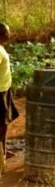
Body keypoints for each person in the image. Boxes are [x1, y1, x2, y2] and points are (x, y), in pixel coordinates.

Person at [0, 23, 19, 169]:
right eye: (6, 33)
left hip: (4, 89)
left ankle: (4, 151)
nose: (8, 35)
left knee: (4, 123)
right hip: (0, 92)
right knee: (2, 124)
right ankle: (2, 153)